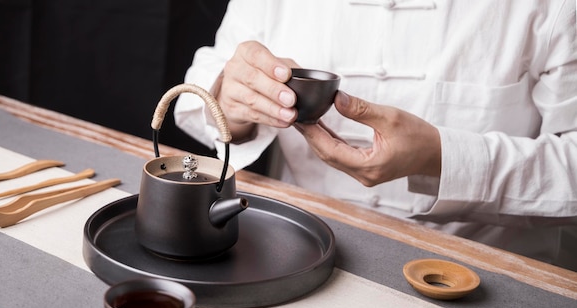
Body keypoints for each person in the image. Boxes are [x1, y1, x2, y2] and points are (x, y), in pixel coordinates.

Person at [174, 0, 577, 266]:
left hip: (486, 271)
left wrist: (441, 158)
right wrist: (233, 99)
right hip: (296, 249)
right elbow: (211, 78)